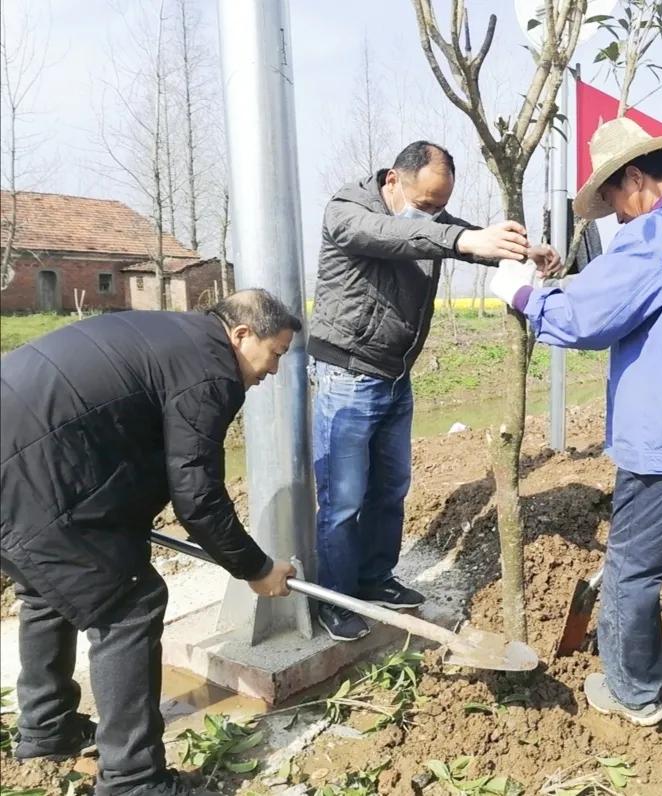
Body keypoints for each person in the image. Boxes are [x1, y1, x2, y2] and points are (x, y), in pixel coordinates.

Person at [490, 118, 662, 758]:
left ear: (635, 181)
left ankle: (633, 691)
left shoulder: (655, 234)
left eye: (612, 203)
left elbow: (587, 318)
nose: (614, 218)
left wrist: (523, 293)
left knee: (633, 572)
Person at [1, 290, 301, 795]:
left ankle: (47, 731)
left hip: (25, 458)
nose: (274, 370)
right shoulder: (212, 371)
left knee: (50, 590)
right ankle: (133, 780)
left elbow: (131, 437)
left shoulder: (174, 337)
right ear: (242, 334)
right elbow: (198, 497)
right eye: (276, 353)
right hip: (33, 473)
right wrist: (255, 568)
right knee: (129, 603)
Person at [306, 141, 561, 641]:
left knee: (391, 489)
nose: (432, 214)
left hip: (395, 376)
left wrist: (519, 250)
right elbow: (406, 237)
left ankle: (375, 578)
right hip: (348, 377)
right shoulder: (348, 209)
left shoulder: (427, 217)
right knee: (343, 500)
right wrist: (461, 239)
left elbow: (459, 236)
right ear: (393, 181)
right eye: (424, 204)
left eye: (439, 205)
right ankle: (335, 599)